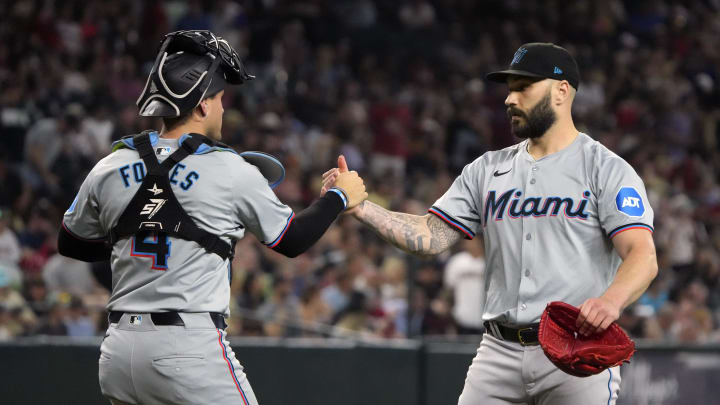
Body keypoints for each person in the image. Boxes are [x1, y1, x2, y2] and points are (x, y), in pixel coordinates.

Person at [323, 42, 658, 404]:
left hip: (575, 351)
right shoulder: (486, 169)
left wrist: (612, 300)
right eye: (510, 88)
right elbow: (429, 236)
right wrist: (362, 209)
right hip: (499, 352)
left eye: (524, 86)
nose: (510, 99)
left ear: (562, 91)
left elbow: (642, 254)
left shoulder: (605, 168)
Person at [58, 30, 366, 405]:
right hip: (187, 347)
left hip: (119, 352)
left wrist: (140, 235)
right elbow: (292, 240)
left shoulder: (110, 164)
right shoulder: (227, 168)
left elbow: (70, 242)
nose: (223, 108)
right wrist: (338, 196)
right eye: (221, 99)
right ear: (203, 104)